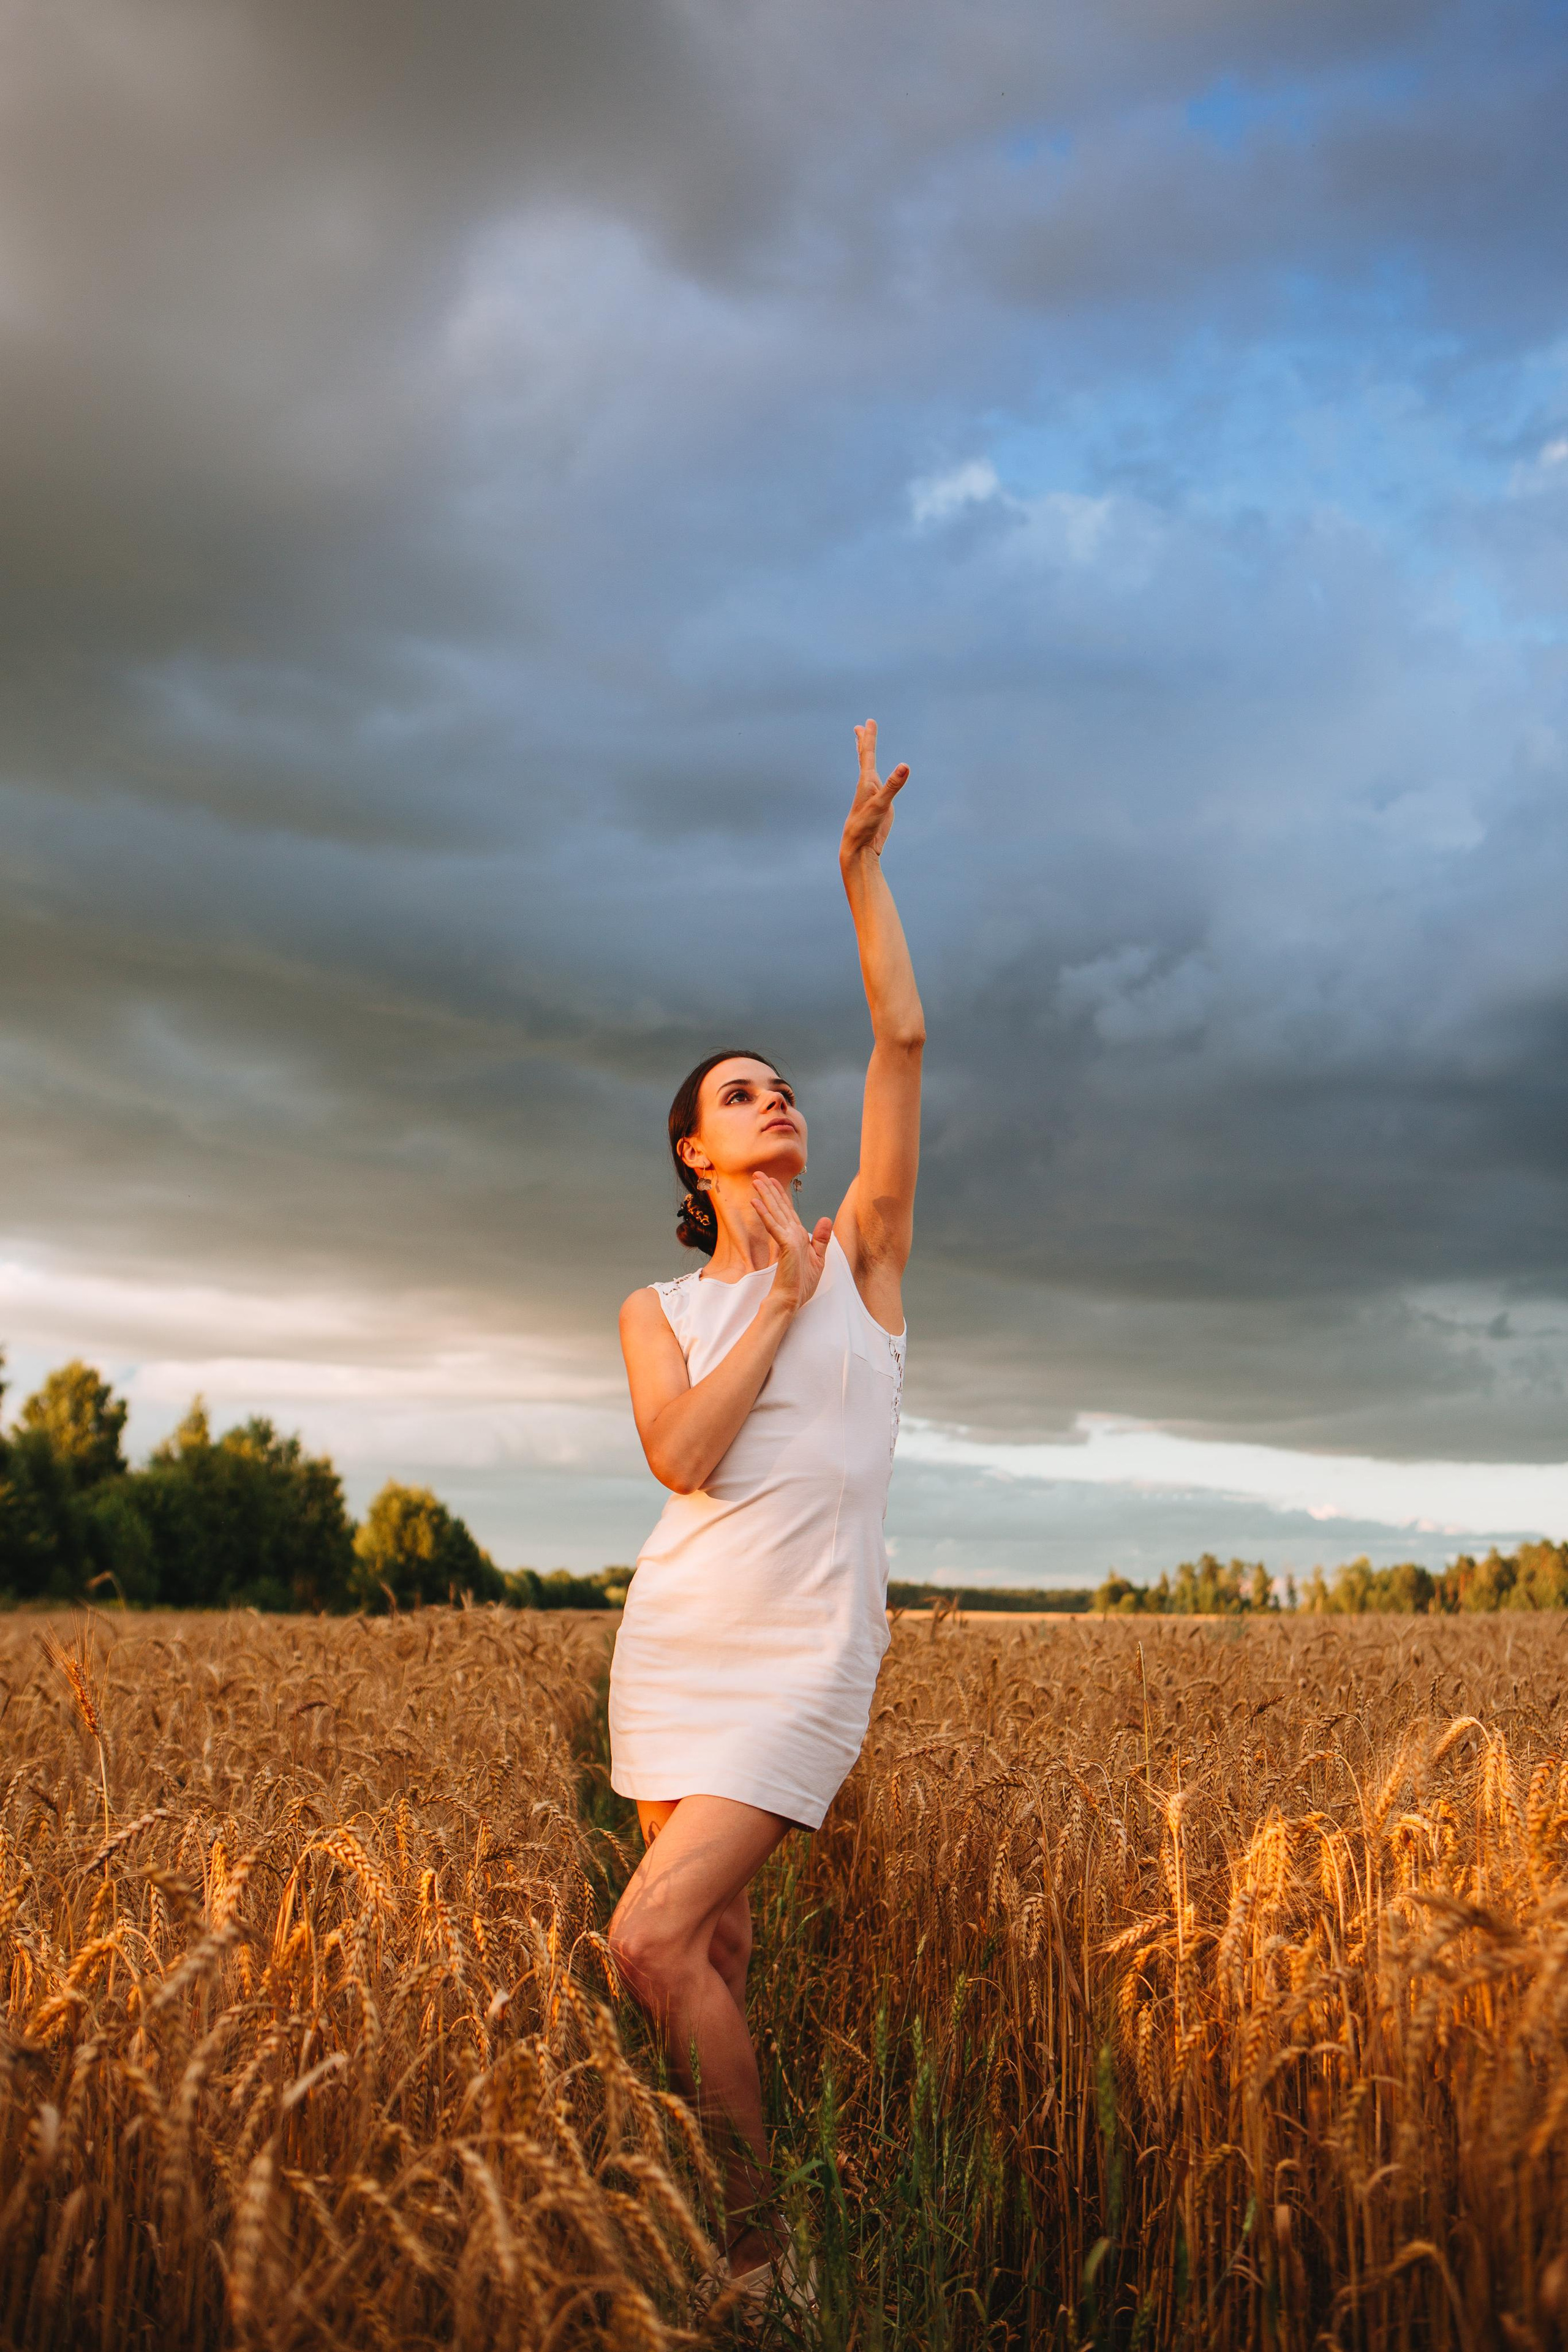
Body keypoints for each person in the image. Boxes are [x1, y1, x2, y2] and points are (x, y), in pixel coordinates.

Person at [606, 720, 924, 2303]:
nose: (779, 1100)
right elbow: (683, 1458)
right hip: (680, 1643)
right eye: (745, 1094)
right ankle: (726, 2207)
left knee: (646, 1942)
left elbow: (904, 1043)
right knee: (712, 1950)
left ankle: (758, 2249)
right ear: (698, 1148)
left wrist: (858, 874)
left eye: (786, 1089)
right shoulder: (660, 1310)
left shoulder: (864, 1253)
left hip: (808, 1654)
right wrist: (775, 1310)